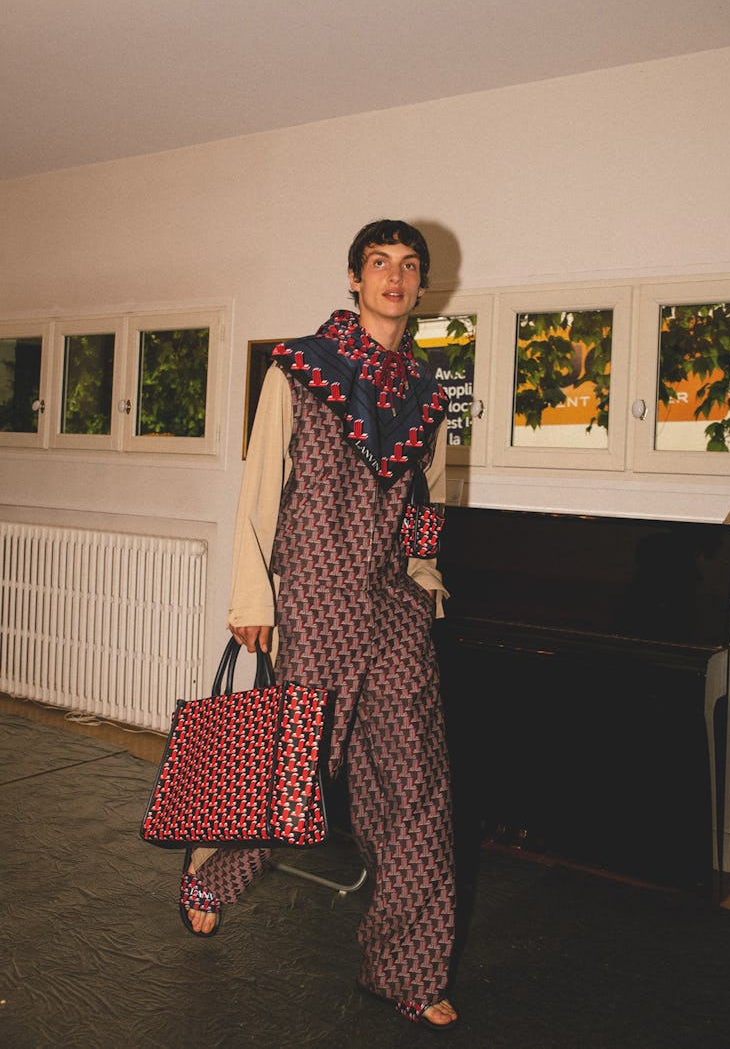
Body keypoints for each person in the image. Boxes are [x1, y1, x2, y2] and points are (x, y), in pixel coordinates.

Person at [179, 220, 459, 1031]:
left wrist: (426, 580)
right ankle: (211, 871)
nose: (394, 278)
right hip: (314, 599)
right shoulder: (300, 368)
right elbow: (262, 480)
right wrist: (252, 597)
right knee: (292, 770)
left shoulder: (429, 392)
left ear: (421, 285)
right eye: (380, 264)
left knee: (417, 791)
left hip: (395, 607)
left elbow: (427, 501)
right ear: (353, 277)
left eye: (409, 266)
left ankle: (407, 970)